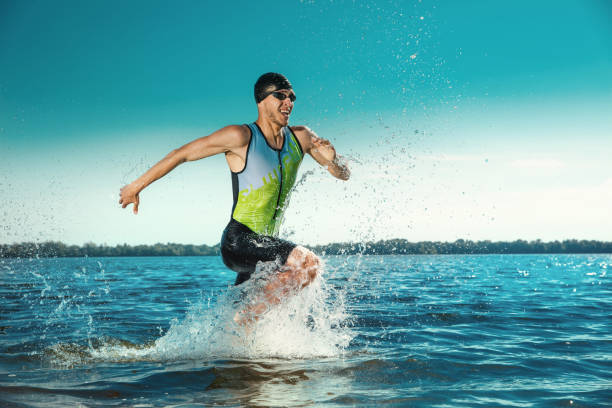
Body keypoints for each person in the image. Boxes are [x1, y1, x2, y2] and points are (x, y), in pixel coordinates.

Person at [119, 73, 349, 321]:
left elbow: (343, 174)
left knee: (234, 328)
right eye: (280, 96)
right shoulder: (241, 137)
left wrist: (333, 160)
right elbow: (181, 154)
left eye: (291, 97)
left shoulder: (300, 137)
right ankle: (248, 317)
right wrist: (135, 187)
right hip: (239, 242)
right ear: (261, 100)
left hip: (265, 247)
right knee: (307, 264)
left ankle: (238, 339)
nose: (289, 103)